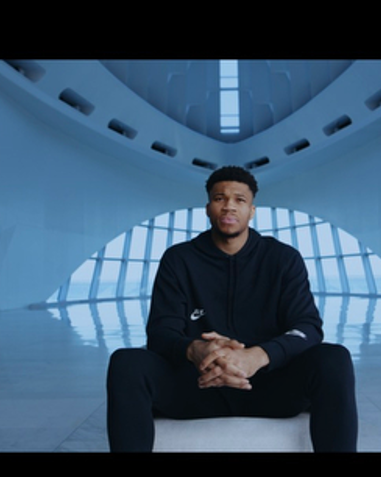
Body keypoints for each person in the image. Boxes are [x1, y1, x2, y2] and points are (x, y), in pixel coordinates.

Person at [106, 166, 357, 452]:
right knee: (126, 363)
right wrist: (196, 350)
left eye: (239, 199)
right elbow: (161, 333)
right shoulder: (179, 259)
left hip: (268, 386)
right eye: (219, 198)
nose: (229, 206)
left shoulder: (283, 258)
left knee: (334, 358)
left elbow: (308, 328)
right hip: (198, 384)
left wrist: (257, 356)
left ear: (251, 211)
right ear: (208, 208)